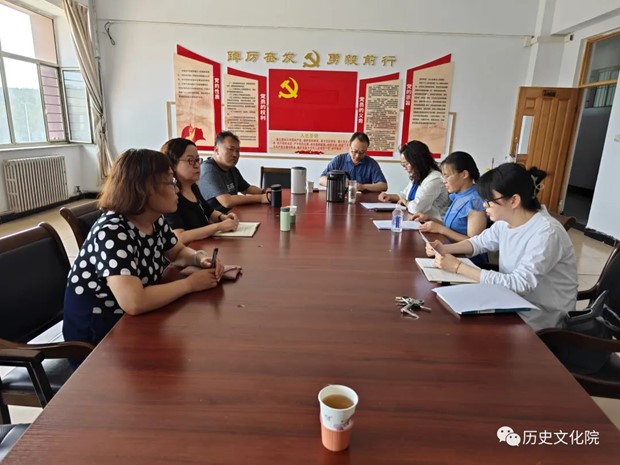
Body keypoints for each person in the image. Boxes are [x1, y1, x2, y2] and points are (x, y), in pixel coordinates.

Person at [63, 148, 225, 348]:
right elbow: (134, 302)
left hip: (134, 321)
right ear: (144, 189)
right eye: (170, 182)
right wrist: (190, 284)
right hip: (100, 336)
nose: (176, 190)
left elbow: (177, 252)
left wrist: (199, 258)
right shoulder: (112, 231)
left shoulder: (153, 219)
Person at [426, 163, 578, 332]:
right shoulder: (505, 222)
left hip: (540, 316)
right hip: (510, 300)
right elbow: (478, 243)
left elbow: (520, 284)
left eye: (489, 201)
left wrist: (458, 267)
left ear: (514, 201)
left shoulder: (547, 233)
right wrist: (445, 249)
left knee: (461, 331)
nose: (484, 206)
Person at [161, 137, 240, 245]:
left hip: (204, 247)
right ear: (173, 165)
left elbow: (209, 211)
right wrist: (218, 227)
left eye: (198, 160)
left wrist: (223, 217)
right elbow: (179, 237)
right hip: (189, 251)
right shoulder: (169, 196)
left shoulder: (193, 187)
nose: (197, 165)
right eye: (191, 160)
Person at [414, 151, 488, 264]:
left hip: (468, 261)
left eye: (447, 176)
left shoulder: (475, 201)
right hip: (449, 252)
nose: (444, 181)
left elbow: (474, 243)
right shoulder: (458, 195)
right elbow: (452, 227)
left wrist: (440, 229)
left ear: (464, 174)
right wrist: (429, 218)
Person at [198, 131, 269, 211]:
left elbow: (247, 189)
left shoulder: (231, 168)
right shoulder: (208, 169)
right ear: (216, 150)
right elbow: (227, 201)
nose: (235, 155)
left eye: (237, 151)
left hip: (231, 215)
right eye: (231, 149)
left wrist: (265, 192)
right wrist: (261, 198)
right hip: (215, 218)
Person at [378, 140, 449, 219]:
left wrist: (406, 202)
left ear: (418, 162)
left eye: (406, 164)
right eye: (403, 165)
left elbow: (416, 208)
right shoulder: (418, 175)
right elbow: (404, 195)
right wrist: (390, 196)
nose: (405, 168)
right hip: (416, 219)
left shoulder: (435, 178)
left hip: (433, 222)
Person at [318, 132, 387, 192]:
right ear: (350, 147)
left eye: (362, 152)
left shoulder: (371, 163)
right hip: (340, 197)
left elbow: (383, 186)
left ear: (366, 150)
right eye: (355, 151)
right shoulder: (339, 160)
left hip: (362, 199)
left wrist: (363, 187)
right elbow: (321, 180)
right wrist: (340, 183)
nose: (357, 156)